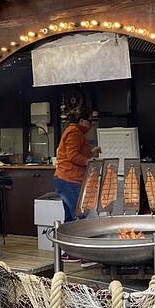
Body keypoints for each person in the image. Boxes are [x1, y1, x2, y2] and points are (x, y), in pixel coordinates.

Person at [54, 106, 100, 263]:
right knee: (79, 214)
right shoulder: (74, 132)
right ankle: (79, 253)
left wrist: (92, 153)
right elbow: (73, 156)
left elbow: (75, 153)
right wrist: (90, 161)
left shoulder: (74, 132)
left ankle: (68, 252)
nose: (91, 124)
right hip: (69, 179)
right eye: (90, 121)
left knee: (70, 216)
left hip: (65, 179)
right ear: (81, 120)